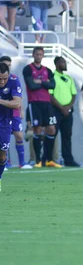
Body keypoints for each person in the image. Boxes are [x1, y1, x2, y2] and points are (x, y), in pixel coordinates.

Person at [23, 47, 59, 168]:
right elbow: (31, 85)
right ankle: (38, 160)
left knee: (52, 129)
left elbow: (53, 85)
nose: (39, 56)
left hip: (46, 103)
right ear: (33, 55)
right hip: (34, 103)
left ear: (43, 56)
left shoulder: (47, 70)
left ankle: (48, 159)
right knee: (37, 130)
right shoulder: (28, 69)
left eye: (41, 54)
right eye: (37, 54)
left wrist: (40, 82)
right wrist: (45, 83)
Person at [49, 56, 78, 167]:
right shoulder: (52, 77)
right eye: (62, 62)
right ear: (56, 64)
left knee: (67, 136)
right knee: (52, 134)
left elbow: (74, 94)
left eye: (65, 62)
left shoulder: (68, 78)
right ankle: (49, 159)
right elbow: (50, 95)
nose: (65, 64)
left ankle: (68, 160)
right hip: (56, 110)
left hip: (68, 111)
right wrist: (62, 108)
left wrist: (68, 107)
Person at [0, 62, 21, 191]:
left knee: (2, 156)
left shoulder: (14, 81)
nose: (2, 81)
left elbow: (17, 104)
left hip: (4, 122)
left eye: (4, 79)